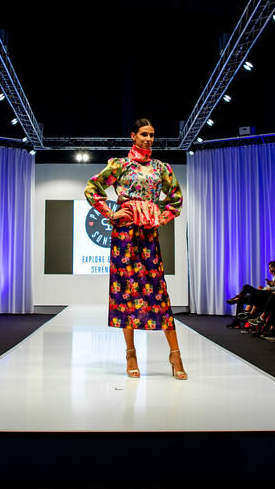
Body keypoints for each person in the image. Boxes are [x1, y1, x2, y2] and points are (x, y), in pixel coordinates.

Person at [85, 118, 185, 380]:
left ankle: (175, 354)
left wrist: (160, 217)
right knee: (126, 292)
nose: (149, 139)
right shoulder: (119, 165)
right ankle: (131, 354)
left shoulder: (161, 168)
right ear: (133, 136)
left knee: (158, 292)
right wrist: (111, 213)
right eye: (144, 134)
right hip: (124, 236)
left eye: (151, 135)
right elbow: (92, 187)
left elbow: (175, 198)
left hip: (149, 235)